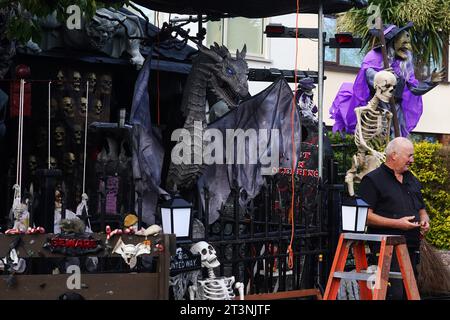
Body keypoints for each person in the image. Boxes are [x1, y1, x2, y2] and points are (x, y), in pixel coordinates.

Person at [330, 22, 445, 137]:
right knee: (377, 139)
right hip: (377, 109)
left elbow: (413, 89)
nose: (408, 48)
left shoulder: (404, 65)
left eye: (408, 43)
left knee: (398, 140)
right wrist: (381, 76)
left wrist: (431, 81)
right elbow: (369, 74)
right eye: (404, 43)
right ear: (393, 42)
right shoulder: (374, 57)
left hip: (396, 111)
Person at [358, 137, 430, 299]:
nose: (412, 160)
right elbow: (366, 216)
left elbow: (422, 210)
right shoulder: (372, 180)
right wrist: (397, 224)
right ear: (394, 155)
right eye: (409, 156)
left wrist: (425, 222)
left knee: (409, 292)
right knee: (393, 293)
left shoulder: (412, 179)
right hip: (386, 249)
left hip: (411, 246)